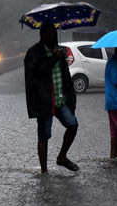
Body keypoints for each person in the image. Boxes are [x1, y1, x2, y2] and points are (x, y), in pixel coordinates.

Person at [24, 21, 79, 174]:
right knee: (44, 136)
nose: (50, 35)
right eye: (46, 32)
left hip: (61, 99)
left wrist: (71, 98)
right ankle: (44, 171)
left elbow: (65, 76)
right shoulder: (33, 53)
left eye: (52, 32)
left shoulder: (60, 51)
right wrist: (53, 59)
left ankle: (62, 157)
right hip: (43, 101)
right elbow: (35, 74)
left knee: (73, 125)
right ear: (41, 34)